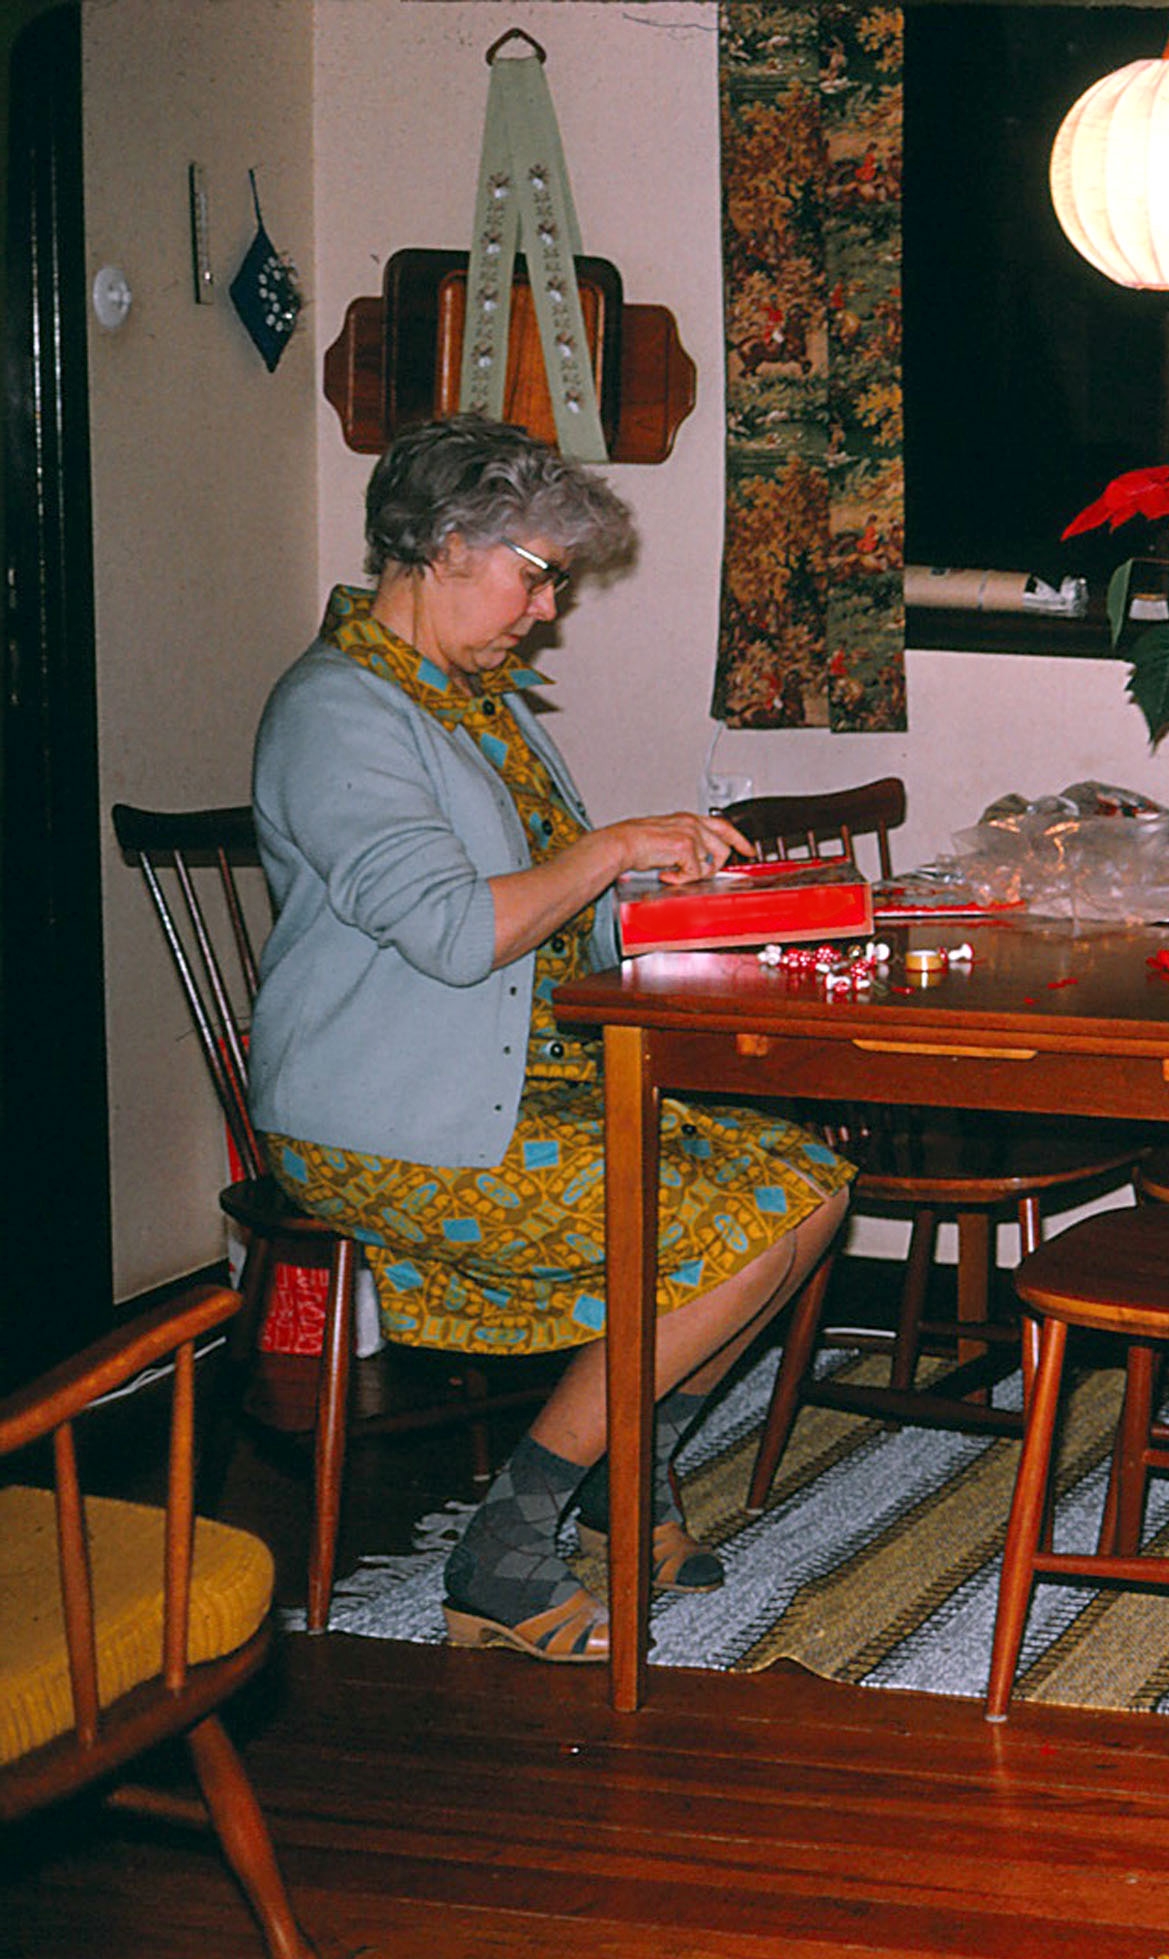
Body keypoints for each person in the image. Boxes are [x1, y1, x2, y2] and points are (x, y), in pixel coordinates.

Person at [248, 414, 853, 1664]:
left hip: (523, 1083)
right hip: (385, 1119)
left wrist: (706, 895)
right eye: (535, 572)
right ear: (448, 543)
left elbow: (564, 908)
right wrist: (613, 845)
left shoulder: (470, 704)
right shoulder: (337, 711)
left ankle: (620, 1478)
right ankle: (508, 1541)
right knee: (732, 1236)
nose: (546, 606)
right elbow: (460, 934)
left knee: (812, 1191)